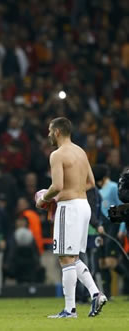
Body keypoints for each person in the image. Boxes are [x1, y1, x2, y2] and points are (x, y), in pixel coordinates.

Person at [35, 117, 106, 318]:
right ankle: (96, 293)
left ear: (57, 132)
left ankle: (70, 309)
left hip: (70, 208)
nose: (48, 134)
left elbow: (56, 186)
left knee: (65, 258)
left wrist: (44, 199)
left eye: (50, 130)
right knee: (73, 257)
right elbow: (92, 182)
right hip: (84, 206)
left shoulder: (57, 155)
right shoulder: (81, 152)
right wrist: (72, 191)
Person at [92, 164, 127, 299]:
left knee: (111, 262)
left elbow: (121, 206)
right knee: (102, 263)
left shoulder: (113, 187)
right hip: (103, 225)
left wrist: (122, 227)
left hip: (114, 224)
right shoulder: (99, 189)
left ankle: (127, 279)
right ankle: (108, 294)